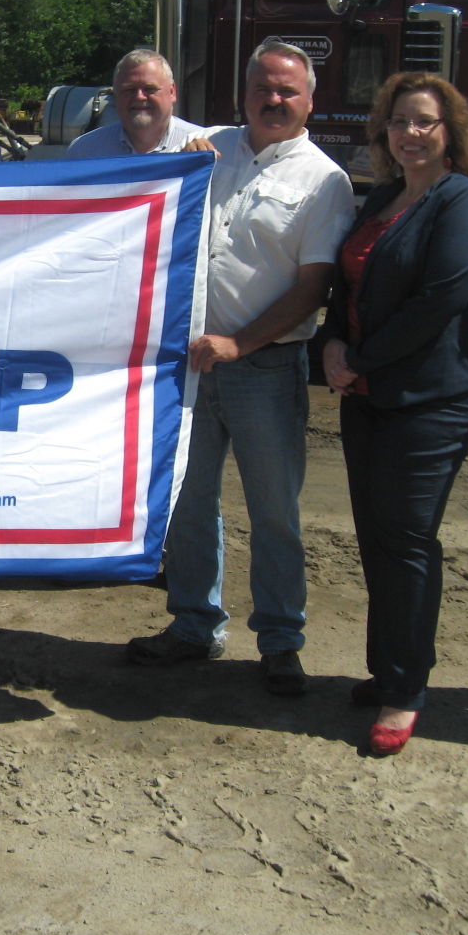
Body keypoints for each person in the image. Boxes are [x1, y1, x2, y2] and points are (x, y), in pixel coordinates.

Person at [127, 39, 352, 696]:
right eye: (262, 87)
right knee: (188, 503)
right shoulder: (208, 148)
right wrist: (182, 167)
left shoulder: (325, 181)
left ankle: (281, 642)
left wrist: (240, 344)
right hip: (190, 366)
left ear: (309, 100)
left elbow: (312, 288)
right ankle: (194, 625)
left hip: (266, 370)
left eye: (287, 90)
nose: (273, 99)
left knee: (274, 510)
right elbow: (141, 201)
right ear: (243, 93)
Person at [319, 73, 468, 756]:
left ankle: (406, 690)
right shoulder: (385, 196)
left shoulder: (462, 200)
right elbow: (348, 282)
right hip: (369, 393)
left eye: (424, 121)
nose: (410, 133)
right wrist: (333, 343)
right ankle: (387, 668)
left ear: (451, 132)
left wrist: (359, 358)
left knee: (407, 538)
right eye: (399, 121)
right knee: (375, 536)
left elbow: (439, 301)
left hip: (434, 397)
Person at [66, 49, 204, 157]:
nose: (139, 97)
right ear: (116, 95)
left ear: (172, 92)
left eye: (149, 89)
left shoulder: (202, 144)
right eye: (129, 90)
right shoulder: (85, 151)